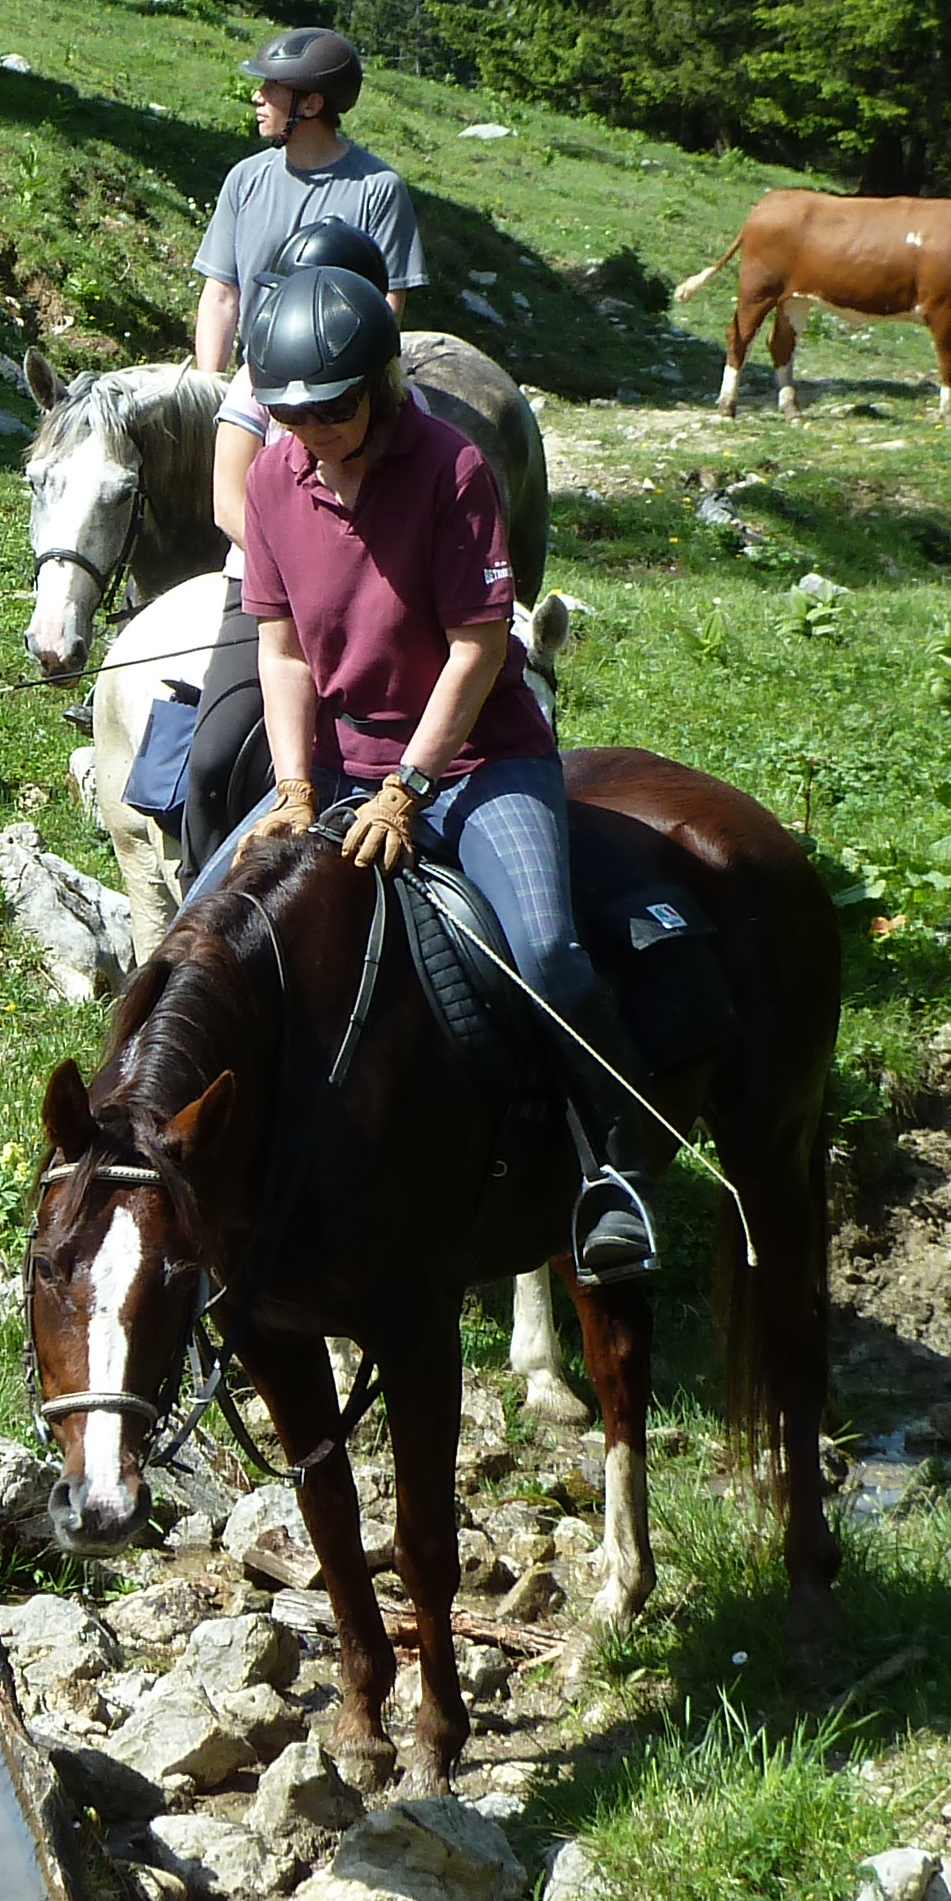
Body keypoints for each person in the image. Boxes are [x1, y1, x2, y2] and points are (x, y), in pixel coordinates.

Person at [194, 263, 658, 1287]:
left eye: (331, 411)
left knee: (543, 951)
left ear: (380, 385)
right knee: (199, 928)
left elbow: (477, 648)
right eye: (289, 414)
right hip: (336, 755)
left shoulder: (451, 470)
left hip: (478, 758)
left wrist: (407, 785)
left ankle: (609, 1166)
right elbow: (279, 651)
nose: (311, 434)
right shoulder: (274, 478)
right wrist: (296, 787)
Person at [176, 27, 428, 877]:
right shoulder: (245, 180)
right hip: (263, 419)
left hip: (349, 398)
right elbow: (222, 290)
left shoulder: (376, 190)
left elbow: (386, 307)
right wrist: (220, 393)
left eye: (269, 90)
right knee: (207, 755)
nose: (255, 99)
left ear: (309, 103)